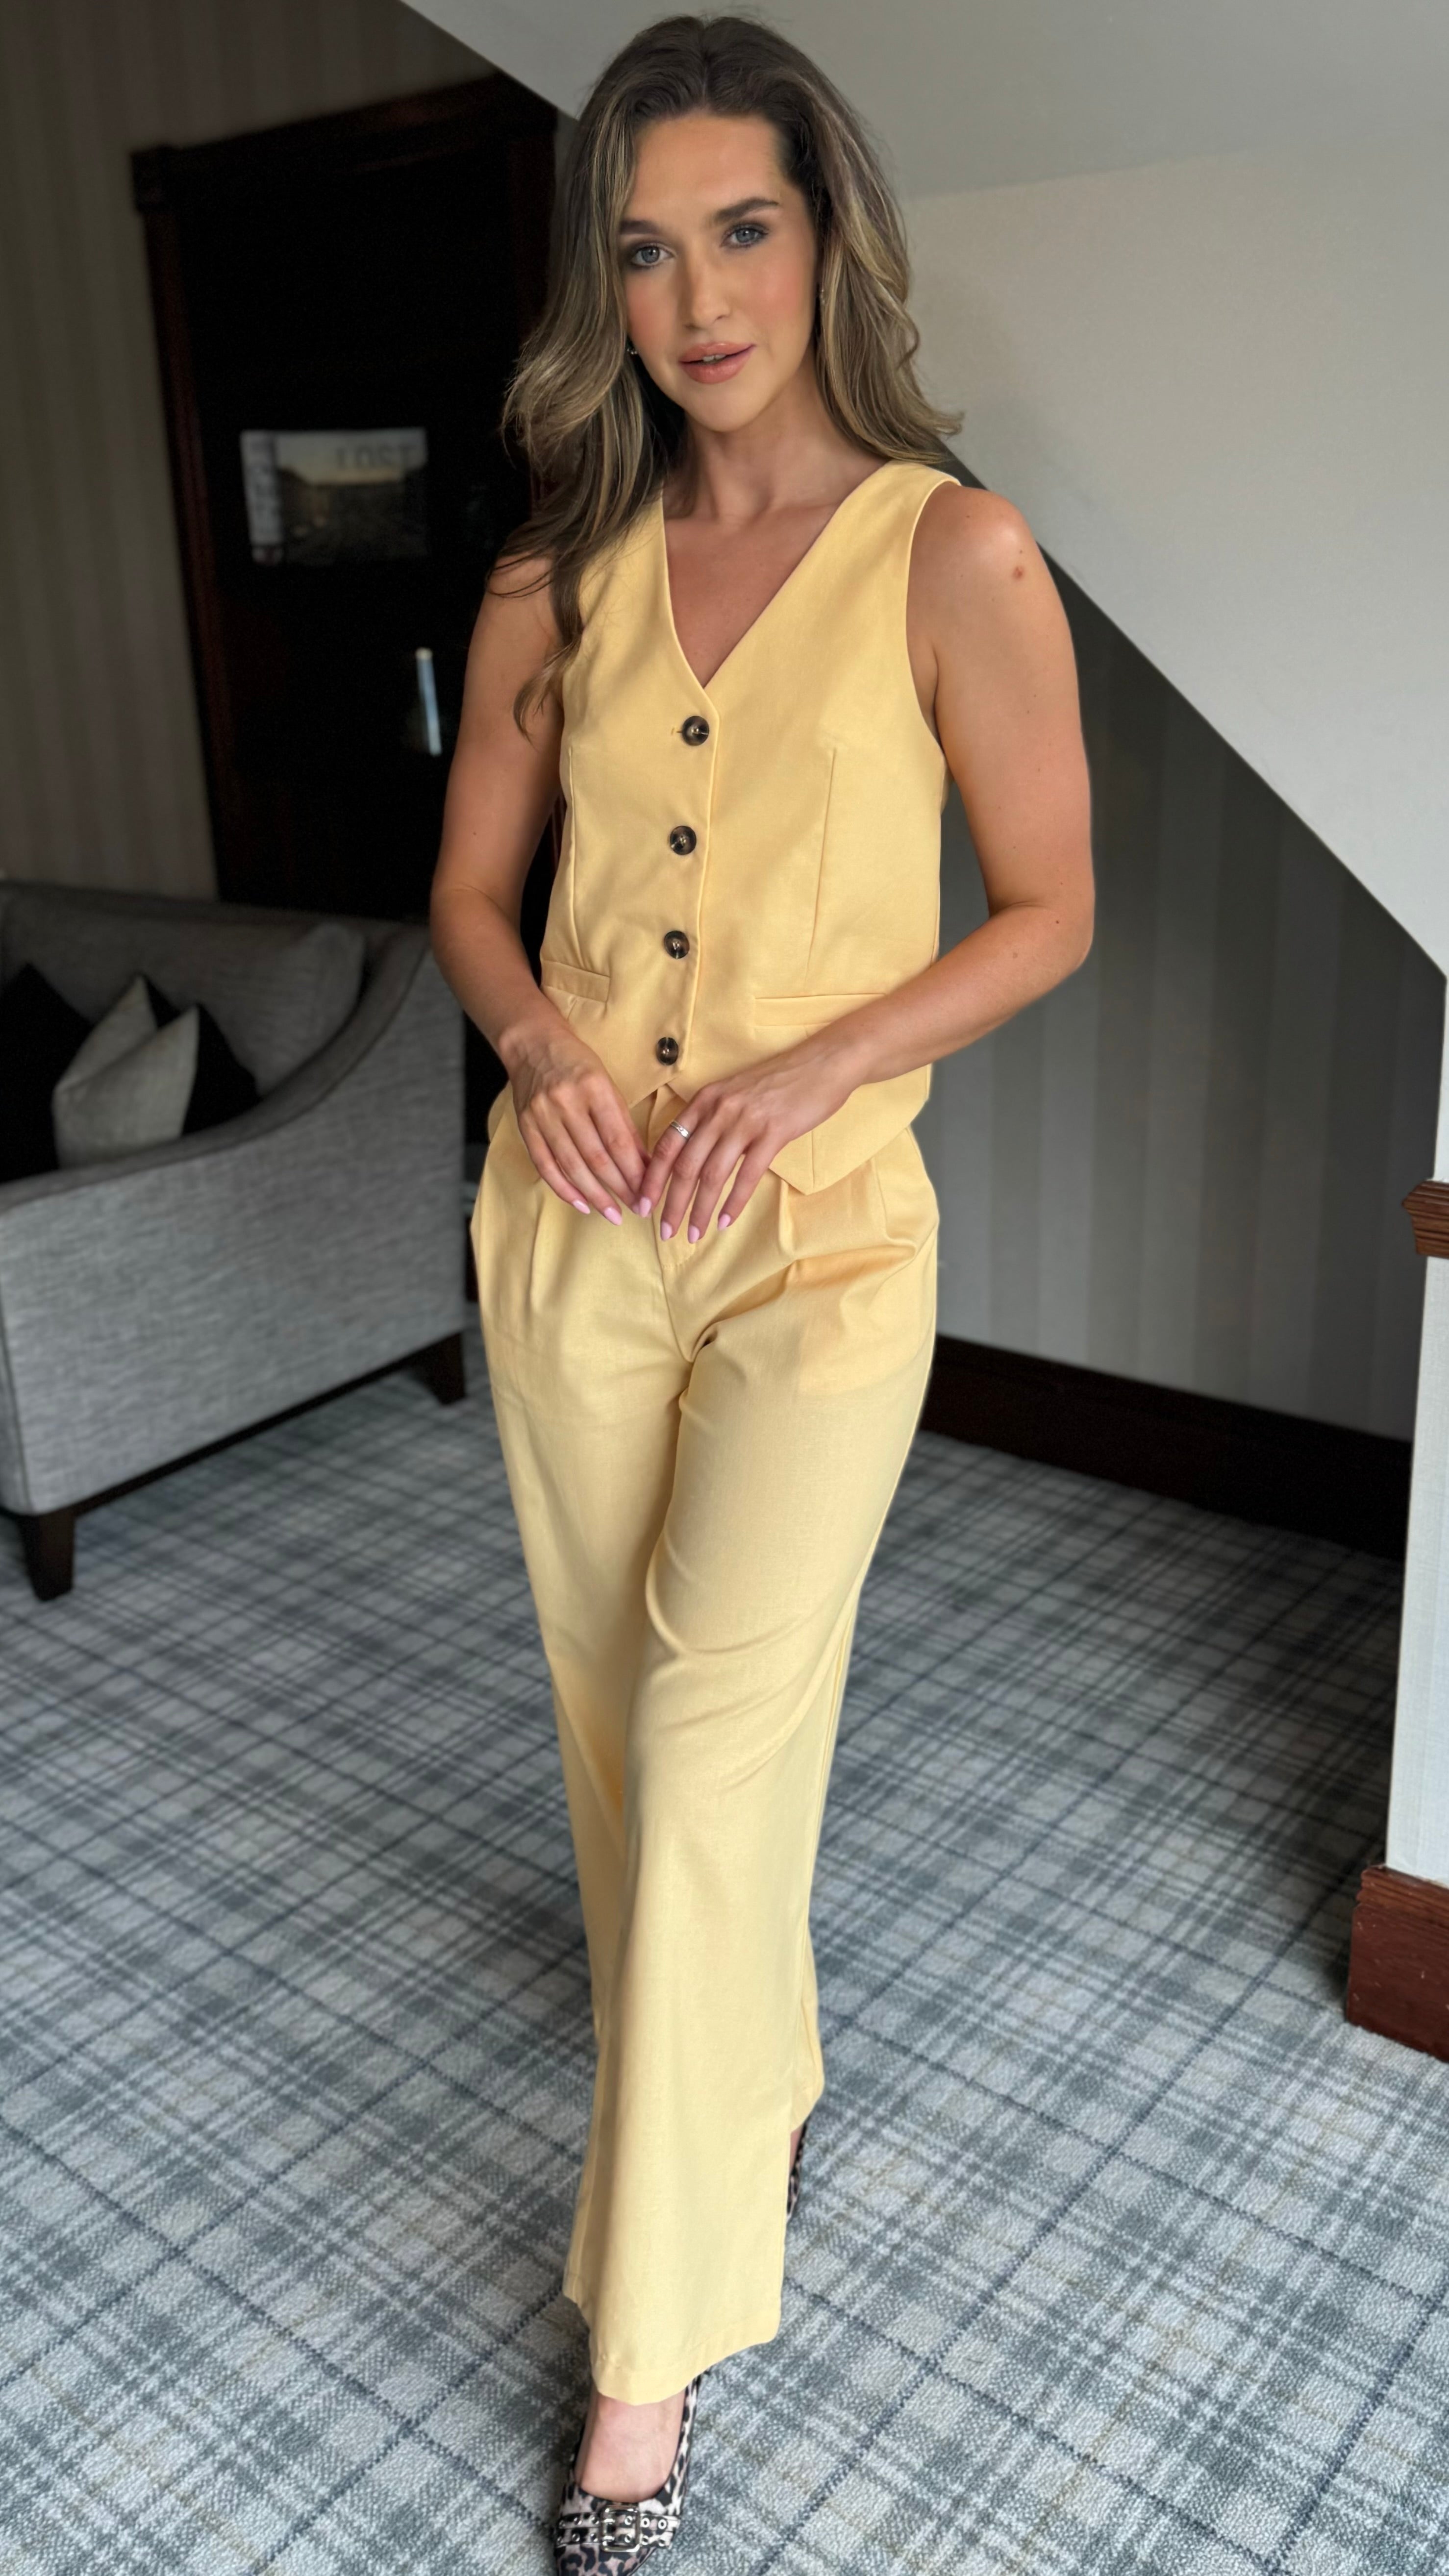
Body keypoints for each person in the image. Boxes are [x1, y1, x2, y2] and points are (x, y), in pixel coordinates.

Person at [429, 14, 1094, 2566]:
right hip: (573, 1233)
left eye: (742, 229)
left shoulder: (955, 553)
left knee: (717, 1741)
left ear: (827, 240)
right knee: (624, 1742)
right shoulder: (553, 572)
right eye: (644, 248)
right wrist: (537, 1044)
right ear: (600, 286)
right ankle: (755, 2080)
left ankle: (645, 2361)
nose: (699, 298)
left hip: (820, 1253)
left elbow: (1051, 907)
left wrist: (822, 1064)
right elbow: (472, 895)